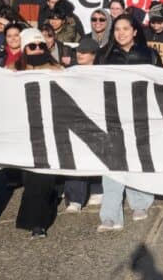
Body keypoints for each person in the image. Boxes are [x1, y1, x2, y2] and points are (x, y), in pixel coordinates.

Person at [96, 15, 160, 232]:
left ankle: (140, 202)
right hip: (112, 115)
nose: (120, 33)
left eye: (125, 28)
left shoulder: (149, 54)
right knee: (112, 162)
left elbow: (161, 83)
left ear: (135, 31)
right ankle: (110, 214)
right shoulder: (103, 55)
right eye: (116, 29)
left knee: (136, 159)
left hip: (140, 114)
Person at [14, 28, 62, 238]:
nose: (37, 50)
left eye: (41, 45)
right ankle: (36, 213)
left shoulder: (57, 69)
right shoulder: (11, 71)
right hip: (24, 130)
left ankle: (38, 222)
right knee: (31, 177)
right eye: (32, 46)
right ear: (24, 48)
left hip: (50, 129)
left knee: (43, 177)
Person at [63, 37, 103, 213]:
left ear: (94, 55)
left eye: (85, 52)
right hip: (74, 118)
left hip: (96, 118)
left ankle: (96, 188)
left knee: (97, 154)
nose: (80, 54)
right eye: (79, 51)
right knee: (75, 157)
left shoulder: (104, 72)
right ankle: (74, 198)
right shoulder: (69, 71)